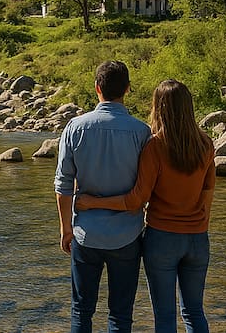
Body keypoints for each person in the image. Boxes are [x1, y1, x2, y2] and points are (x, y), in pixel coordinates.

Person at [76, 79, 216, 333]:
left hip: (162, 238)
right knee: (194, 311)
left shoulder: (155, 146)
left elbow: (136, 200)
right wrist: (196, 225)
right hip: (197, 238)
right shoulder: (205, 144)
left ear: (158, 108)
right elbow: (207, 196)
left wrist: (91, 202)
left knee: (164, 315)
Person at [54, 60, 152, 333]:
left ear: (97, 88)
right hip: (127, 236)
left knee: (81, 310)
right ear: (128, 89)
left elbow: (63, 184)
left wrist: (66, 229)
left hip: (86, 233)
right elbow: (146, 190)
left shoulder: (75, 127)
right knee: (121, 314)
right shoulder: (142, 132)